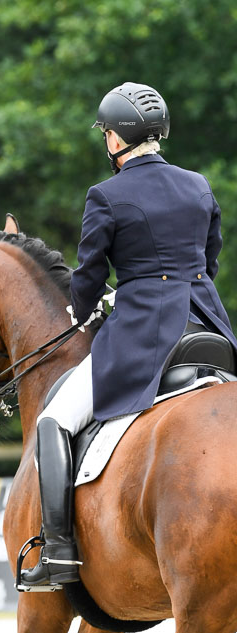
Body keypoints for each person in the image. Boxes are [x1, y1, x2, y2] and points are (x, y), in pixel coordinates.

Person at [19, 81, 237, 591]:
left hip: (143, 335)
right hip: (209, 328)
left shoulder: (107, 195)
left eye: (106, 134)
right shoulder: (198, 185)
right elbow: (209, 262)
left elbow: (89, 277)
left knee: (53, 420)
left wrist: (87, 307)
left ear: (116, 137)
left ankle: (58, 552)